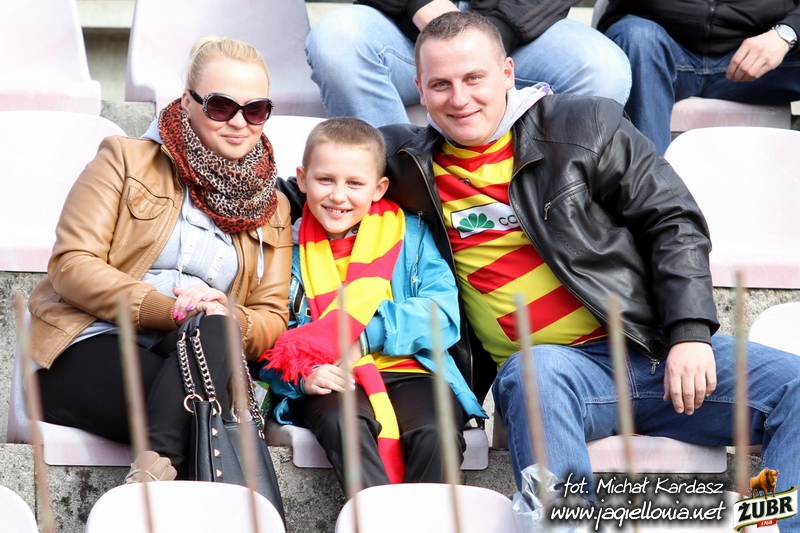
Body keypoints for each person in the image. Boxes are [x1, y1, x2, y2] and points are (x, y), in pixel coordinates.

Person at [377, 11, 800, 529]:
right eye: (440, 84)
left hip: (650, 349)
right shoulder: (404, 161)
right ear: (420, 89)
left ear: (507, 74)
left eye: (474, 78)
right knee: (535, 371)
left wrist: (690, 332)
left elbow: (673, 221)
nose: (459, 98)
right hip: (555, 375)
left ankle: (775, 523)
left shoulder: (585, 124)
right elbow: (317, 179)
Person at [28, 37, 292, 483]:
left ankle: (149, 479)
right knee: (200, 409)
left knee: (215, 333)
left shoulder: (274, 207)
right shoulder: (125, 159)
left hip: (195, 353)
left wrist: (227, 313)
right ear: (188, 102)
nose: (239, 122)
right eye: (221, 106)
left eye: (256, 110)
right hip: (92, 341)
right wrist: (167, 309)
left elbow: (271, 317)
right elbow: (72, 264)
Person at [259, 117, 486, 489]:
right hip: (330, 374)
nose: (338, 196)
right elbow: (266, 337)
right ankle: (374, 515)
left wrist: (363, 338)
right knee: (345, 424)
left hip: (413, 368)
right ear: (302, 179)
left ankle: (429, 517)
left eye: (354, 183)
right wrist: (304, 376)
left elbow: (442, 313)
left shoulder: (410, 233)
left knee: (436, 433)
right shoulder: (285, 249)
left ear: (379, 188)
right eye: (325, 180)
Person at [305, 0, 631, 128]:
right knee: (337, 40)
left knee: (602, 68)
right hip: (402, 31)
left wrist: (495, 32)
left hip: (516, 30)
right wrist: (421, 5)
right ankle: (399, 184)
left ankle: (543, 200)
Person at [598, 0, 800, 155]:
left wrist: (787, 33)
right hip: (657, 49)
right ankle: (652, 190)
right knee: (638, 37)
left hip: (764, 56)